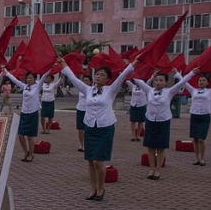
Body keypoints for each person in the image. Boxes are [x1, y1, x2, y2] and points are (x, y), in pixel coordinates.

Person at [61, 58, 139, 201]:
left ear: (108, 78)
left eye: (102, 74)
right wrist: (64, 66)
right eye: (97, 74)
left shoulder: (111, 90)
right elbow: (73, 78)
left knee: (98, 161)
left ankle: (101, 187)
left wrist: (132, 64)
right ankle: (93, 189)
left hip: (105, 127)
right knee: (90, 160)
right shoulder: (87, 89)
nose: (98, 76)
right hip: (90, 127)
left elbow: (122, 77)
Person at [135, 68, 198, 179]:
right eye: (157, 80)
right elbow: (137, 80)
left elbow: (182, 82)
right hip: (150, 121)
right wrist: (127, 69)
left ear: (165, 82)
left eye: (161, 80)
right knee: (150, 147)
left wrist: (191, 72)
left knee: (160, 147)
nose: (158, 82)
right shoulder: (149, 90)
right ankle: (151, 169)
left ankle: (158, 169)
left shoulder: (169, 91)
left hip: (163, 121)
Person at [3, 68, 51, 162]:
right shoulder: (24, 86)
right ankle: (26, 151)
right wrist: (6, 72)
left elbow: (44, 76)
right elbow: (14, 80)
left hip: (33, 113)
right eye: (28, 78)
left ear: (34, 79)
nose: (29, 80)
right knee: (20, 135)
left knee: (30, 136)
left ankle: (31, 154)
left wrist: (50, 67)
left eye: (31, 78)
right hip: (24, 113)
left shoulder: (37, 86)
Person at [177, 71, 210, 166]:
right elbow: (184, 82)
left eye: (204, 80)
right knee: (195, 139)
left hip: (204, 116)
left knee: (201, 139)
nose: (201, 82)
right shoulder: (193, 90)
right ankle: (197, 158)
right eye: (200, 80)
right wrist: (177, 74)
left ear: (207, 82)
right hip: (194, 115)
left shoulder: (209, 91)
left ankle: (202, 158)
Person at [73, 73, 92, 152]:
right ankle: (81, 144)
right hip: (80, 109)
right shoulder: (80, 88)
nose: (85, 82)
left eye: (87, 80)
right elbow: (74, 81)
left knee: (87, 129)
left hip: (89, 111)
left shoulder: (92, 90)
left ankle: (87, 144)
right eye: (84, 80)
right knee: (80, 129)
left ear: (90, 82)